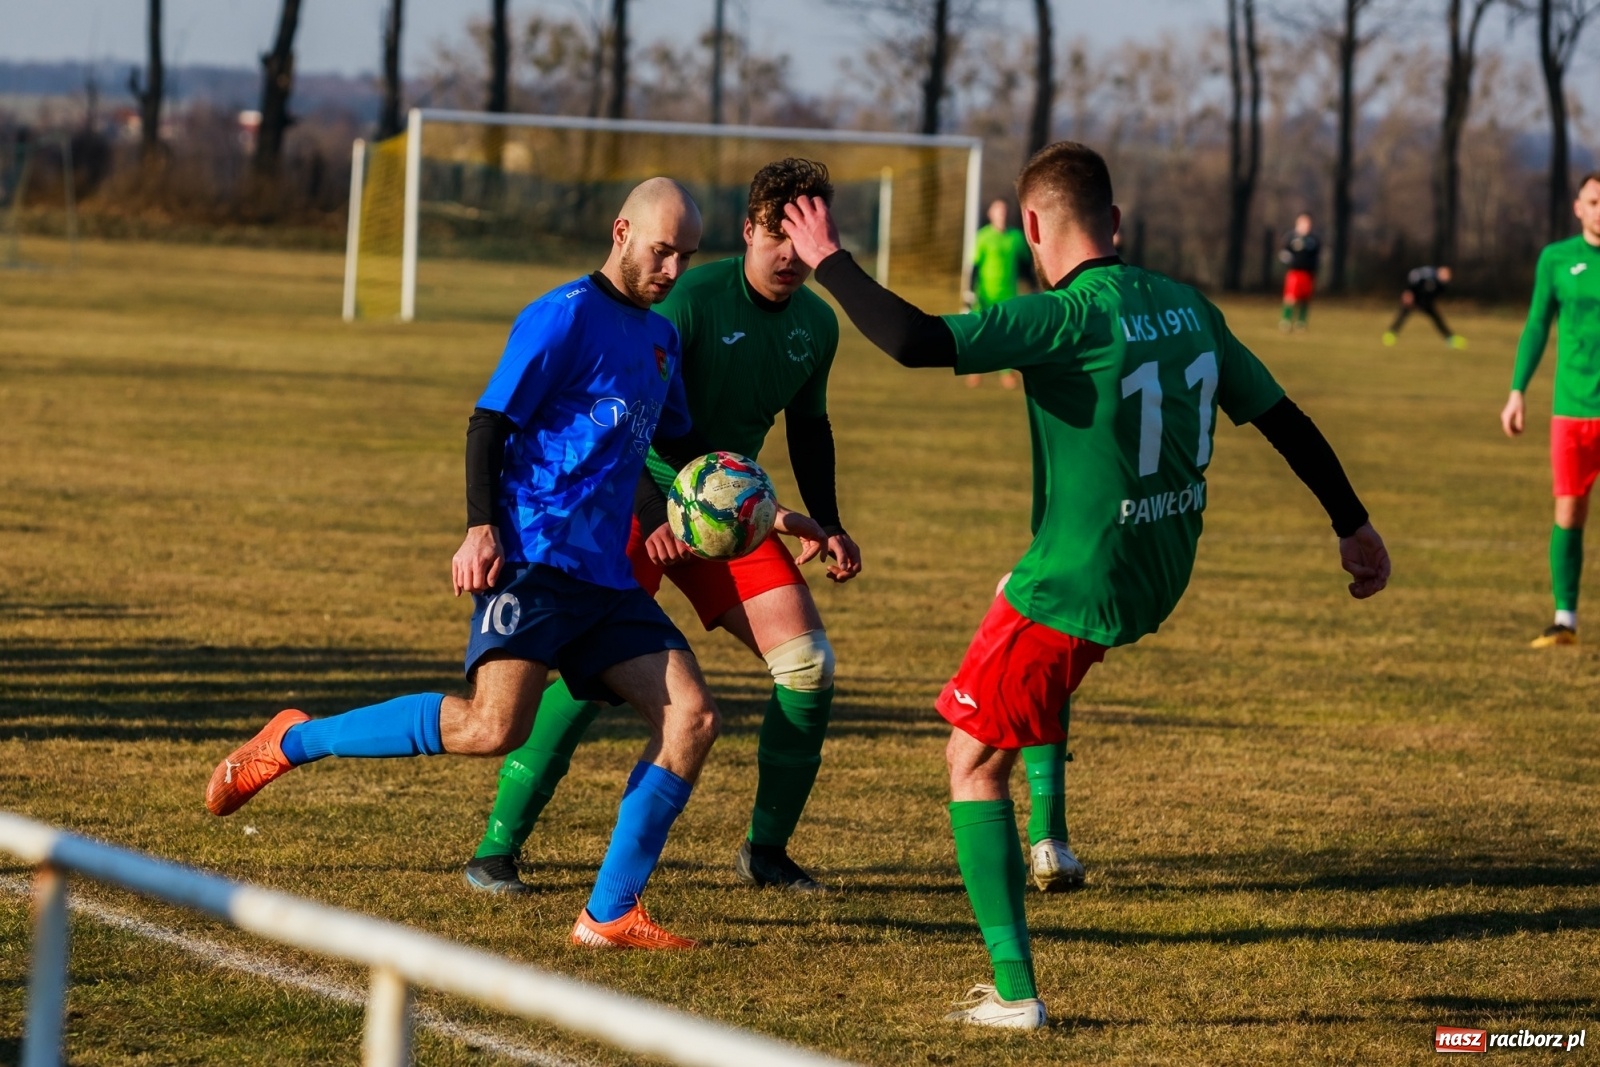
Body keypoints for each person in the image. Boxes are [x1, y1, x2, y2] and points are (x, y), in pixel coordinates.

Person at [780, 141, 1390, 1030]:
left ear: (1030, 225)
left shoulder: (1063, 316)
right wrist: (1351, 521)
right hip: (1159, 566)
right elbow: (1282, 417)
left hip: (1082, 578)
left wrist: (830, 258)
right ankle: (1051, 837)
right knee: (1021, 610)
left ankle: (1015, 992)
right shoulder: (1189, 305)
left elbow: (914, 341)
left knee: (969, 759)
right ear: (1116, 221)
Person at [203, 177, 825, 951]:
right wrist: (480, 529)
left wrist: (764, 509)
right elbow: (489, 423)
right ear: (621, 232)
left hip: (606, 578)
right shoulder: (563, 316)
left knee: (692, 718)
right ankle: (294, 739)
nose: (672, 270)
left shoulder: (660, 340)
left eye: (686, 256)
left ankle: (609, 912)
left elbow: (675, 449)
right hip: (534, 558)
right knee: (491, 726)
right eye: (662, 251)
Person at [463, 158, 863, 897]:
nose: (791, 256)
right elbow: (636, 423)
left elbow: (811, 428)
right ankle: (498, 847)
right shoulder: (689, 299)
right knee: (593, 671)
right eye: (777, 236)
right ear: (749, 230)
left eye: (806, 241)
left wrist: (824, 519)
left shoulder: (818, 325)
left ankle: (766, 851)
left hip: (726, 516)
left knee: (809, 665)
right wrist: (657, 513)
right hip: (633, 501)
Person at [1501, 172, 1600, 647]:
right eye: (1594, 202)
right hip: (1571, 410)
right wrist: (1517, 390)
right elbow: (1538, 325)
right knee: (1569, 509)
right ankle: (1565, 620)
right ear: (1578, 207)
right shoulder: (1556, 259)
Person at [965, 198, 1035, 389]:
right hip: (985, 295)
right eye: (998, 211)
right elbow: (975, 266)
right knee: (980, 333)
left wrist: (1033, 286)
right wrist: (970, 291)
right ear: (991, 214)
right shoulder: (983, 237)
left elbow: (1025, 265)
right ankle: (975, 369)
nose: (1002, 215)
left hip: (1008, 295)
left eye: (1004, 211)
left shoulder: (1016, 237)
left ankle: (1006, 373)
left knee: (1007, 334)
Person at [1383, 265, 1465, 348]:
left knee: (1437, 319)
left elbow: (1433, 295)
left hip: (1425, 302)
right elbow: (1413, 276)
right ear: (1439, 271)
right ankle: (1391, 334)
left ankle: (1450, 338)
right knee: (1401, 316)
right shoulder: (1428, 273)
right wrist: (1408, 292)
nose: (1446, 277)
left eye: (1448, 276)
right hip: (1414, 299)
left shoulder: (1442, 285)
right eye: (1444, 274)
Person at [1279, 212, 1321, 332]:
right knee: (1290, 297)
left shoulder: (1313, 240)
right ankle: (1286, 320)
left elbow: (1316, 256)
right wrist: (1288, 260)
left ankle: (1301, 323)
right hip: (1294, 272)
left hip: (1307, 273)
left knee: (1305, 298)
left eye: (1308, 223)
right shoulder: (1290, 237)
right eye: (1303, 222)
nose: (1306, 225)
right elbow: (1283, 252)